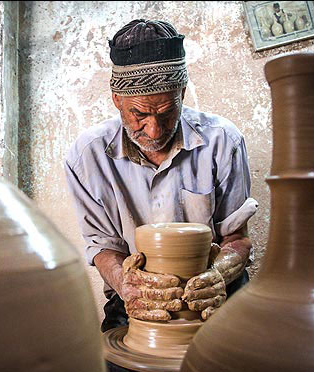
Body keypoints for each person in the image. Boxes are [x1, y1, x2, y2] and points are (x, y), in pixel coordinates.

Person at [64, 19, 258, 370]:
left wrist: (219, 274)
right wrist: (128, 287)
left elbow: (237, 238)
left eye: (167, 113)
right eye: (139, 114)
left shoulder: (222, 141)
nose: (153, 129)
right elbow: (103, 246)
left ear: (182, 95)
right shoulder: (87, 156)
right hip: (137, 301)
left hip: (215, 292)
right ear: (117, 99)